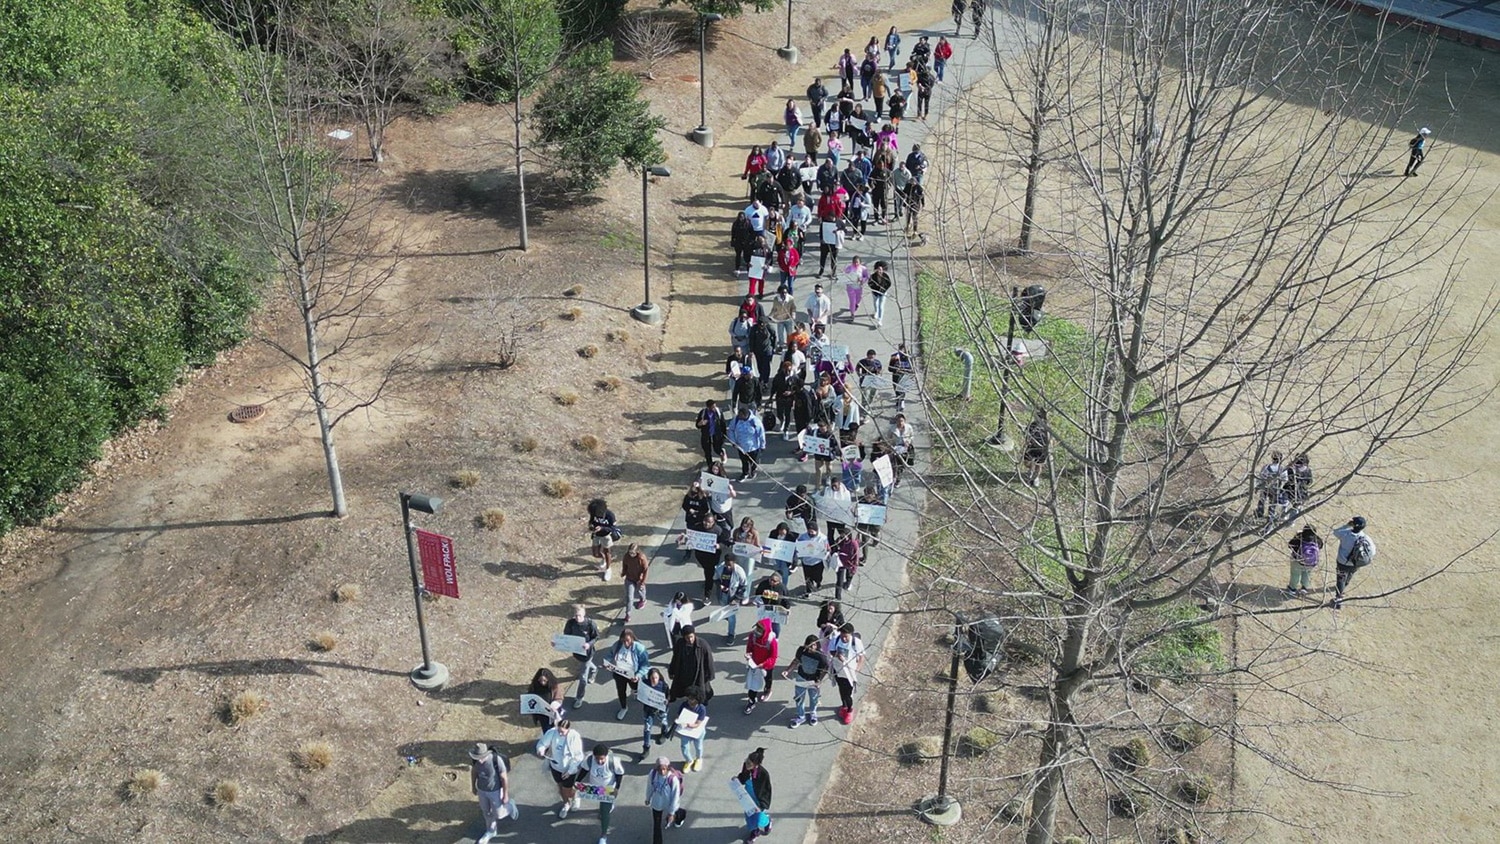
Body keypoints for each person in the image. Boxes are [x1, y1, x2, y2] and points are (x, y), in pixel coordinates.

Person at [535, 718, 586, 818]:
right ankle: (566, 803)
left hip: (568, 769)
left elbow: (578, 756)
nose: (560, 734)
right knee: (560, 787)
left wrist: (570, 771)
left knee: (567, 790)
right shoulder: (552, 732)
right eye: (559, 731)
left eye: (563, 732)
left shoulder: (574, 737)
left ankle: (575, 796)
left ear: (568, 729)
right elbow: (542, 743)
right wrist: (541, 750)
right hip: (555, 766)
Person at [580, 743, 625, 844]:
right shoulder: (589, 760)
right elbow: (584, 770)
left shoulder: (613, 761)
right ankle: (608, 806)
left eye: (602, 759)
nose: (599, 761)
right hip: (595, 788)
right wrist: (577, 781)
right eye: (597, 759)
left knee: (604, 813)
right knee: (601, 803)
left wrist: (617, 788)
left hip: (608, 790)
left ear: (606, 756)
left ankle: (603, 835)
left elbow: (619, 774)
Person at [783, 634, 831, 728]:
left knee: (814, 698)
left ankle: (813, 712)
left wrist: (819, 681)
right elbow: (796, 661)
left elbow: (825, 670)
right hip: (801, 678)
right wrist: (787, 671)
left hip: (813, 681)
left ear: (817, 645)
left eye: (813, 645)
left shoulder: (821, 657)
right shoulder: (801, 650)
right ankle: (801, 716)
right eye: (809, 645)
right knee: (799, 698)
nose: (811, 648)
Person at [1331, 516, 1378, 609]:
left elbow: (1335, 532)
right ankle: (1345, 585)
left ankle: (1338, 599)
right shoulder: (1365, 537)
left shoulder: (1345, 534)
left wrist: (1346, 525)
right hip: (1356, 563)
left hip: (1342, 562)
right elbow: (1373, 551)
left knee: (1340, 578)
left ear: (1353, 524)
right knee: (1350, 574)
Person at [470, 742, 513, 843]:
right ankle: (491, 831)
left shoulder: (496, 760)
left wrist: (505, 795)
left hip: (495, 791)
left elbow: (504, 778)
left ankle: (510, 807)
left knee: (498, 814)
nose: (479, 760)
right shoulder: (475, 761)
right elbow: (474, 773)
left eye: (481, 757)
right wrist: (473, 787)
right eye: (477, 757)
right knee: (486, 812)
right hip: (482, 790)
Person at [605, 628, 651, 721]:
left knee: (636, 687)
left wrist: (638, 675)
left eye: (628, 641)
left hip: (633, 675)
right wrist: (606, 662)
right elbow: (609, 655)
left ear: (632, 639)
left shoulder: (639, 648)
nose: (625, 643)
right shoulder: (617, 645)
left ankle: (635, 691)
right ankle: (624, 707)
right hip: (619, 674)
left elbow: (645, 665)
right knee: (621, 691)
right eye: (623, 641)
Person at [667, 625, 716, 707]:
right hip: (684, 672)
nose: (690, 639)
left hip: (699, 673)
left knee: (700, 690)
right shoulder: (680, 644)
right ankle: (689, 703)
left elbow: (709, 661)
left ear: (694, 634)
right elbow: (675, 658)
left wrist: (710, 675)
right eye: (687, 638)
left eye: (691, 637)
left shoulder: (703, 645)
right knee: (686, 689)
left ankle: (701, 704)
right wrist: (671, 671)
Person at [563, 605, 601, 707]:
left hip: (587, 654)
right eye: (575, 616)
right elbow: (566, 636)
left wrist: (589, 644)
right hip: (577, 653)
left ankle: (579, 698)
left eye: (579, 615)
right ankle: (594, 669)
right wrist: (557, 643)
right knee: (586, 665)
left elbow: (597, 636)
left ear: (584, 614)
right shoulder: (571, 623)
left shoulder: (590, 624)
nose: (577, 618)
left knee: (583, 677)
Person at [829, 623, 866, 723]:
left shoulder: (856, 642)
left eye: (846, 636)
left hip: (850, 672)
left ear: (851, 634)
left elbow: (862, 657)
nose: (844, 639)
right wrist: (837, 655)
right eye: (842, 636)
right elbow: (831, 651)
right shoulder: (836, 639)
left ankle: (849, 709)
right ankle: (844, 706)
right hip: (839, 670)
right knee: (841, 689)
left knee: (848, 693)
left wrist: (856, 671)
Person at [735, 748, 774, 843]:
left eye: (749, 763)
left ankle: (767, 822)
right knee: (749, 816)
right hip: (748, 796)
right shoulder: (746, 766)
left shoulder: (763, 774)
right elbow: (743, 776)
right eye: (746, 761)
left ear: (756, 765)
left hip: (758, 799)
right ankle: (754, 831)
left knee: (759, 818)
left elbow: (766, 790)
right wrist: (737, 779)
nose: (746, 764)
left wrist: (762, 805)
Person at [743, 617, 779, 713]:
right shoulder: (753, 636)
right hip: (754, 665)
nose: (757, 631)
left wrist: (764, 664)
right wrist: (748, 654)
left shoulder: (772, 641)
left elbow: (773, 657)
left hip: (766, 666)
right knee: (752, 685)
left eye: (760, 629)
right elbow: (749, 647)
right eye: (757, 628)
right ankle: (751, 701)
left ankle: (767, 690)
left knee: (768, 679)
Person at [646, 756, 685, 844]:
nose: (662, 772)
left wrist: (671, 813)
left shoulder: (672, 779)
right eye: (660, 769)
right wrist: (648, 798)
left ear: (667, 768)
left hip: (669, 802)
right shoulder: (652, 774)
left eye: (664, 769)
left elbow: (675, 797)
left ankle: (681, 816)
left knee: (676, 812)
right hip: (657, 803)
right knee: (657, 824)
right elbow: (649, 786)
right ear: (656, 768)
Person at [716, 552, 750, 642]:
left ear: (734, 562)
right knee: (724, 609)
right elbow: (716, 579)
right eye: (726, 564)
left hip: (733, 596)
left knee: (731, 616)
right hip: (723, 595)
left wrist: (736, 599)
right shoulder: (720, 568)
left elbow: (743, 586)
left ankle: (731, 634)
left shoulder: (739, 571)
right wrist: (720, 585)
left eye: (730, 565)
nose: (728, 567)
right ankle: (727, 616)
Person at [728, 405, 767, 481]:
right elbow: (731, 430)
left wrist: (762, 445)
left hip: (753, 447)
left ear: (745, 415)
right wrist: (733, 442)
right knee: (744, 461)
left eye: (741, 416)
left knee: (753, 461)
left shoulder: (755, 421)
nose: (739, 417)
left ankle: (753, 470)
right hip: (741, 447)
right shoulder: (736, 420)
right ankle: (745, 473)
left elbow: (761, 433)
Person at [1285, 525, 1324, 598]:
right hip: (1311, 563)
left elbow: (1290, 545)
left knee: (1295, 575)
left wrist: (1296, 535)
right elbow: (1321, 546)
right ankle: (1304, 588)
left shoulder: (1299, 537)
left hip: (1298, 561)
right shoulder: (1316, 539)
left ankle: (1292, 589)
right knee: (1307, 574)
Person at [587, 498, 619, 580]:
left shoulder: (610, 515)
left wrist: (602, 528)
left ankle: (608, 569)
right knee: (595, 553)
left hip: (606, 535)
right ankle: (604, 559)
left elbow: (613, 528)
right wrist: (591, 526)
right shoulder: (594, 512)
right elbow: (591, 521)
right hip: (596, 535)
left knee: (607, 552)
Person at [676, 692, 709, 771]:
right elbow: (679, 715)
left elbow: (698, 724)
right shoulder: (684, 705)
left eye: (692, 699)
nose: (689, 701)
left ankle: (699, 759)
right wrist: (678, 720)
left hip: (697, 731)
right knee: (684, 747)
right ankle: (689, 760)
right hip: (685, 730)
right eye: (689, 698)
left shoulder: (701, 708)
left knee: (698, 747)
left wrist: (688, 725)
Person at [795, 523, 830, 594]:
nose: (810, 533)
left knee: (817, 576)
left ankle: (818, 582)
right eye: (809, 531)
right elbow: (798, 544)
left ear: (816, 530)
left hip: (817, 561)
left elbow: (827, 548)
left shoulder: (823, 538)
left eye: (812, 531)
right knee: (808, 578)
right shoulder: (803, 536)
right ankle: (808, 590)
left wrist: (827, 550)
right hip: (806, 561)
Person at [1021, 408, 1049, 485]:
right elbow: (1026, 434)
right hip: (1031, 447)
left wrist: (1048, 448)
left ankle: (1035, 478)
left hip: (1042, 449)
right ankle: (1030, 471)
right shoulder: (1032, 425)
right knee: (1027, 462)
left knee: (1039, 465)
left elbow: (1050, 439)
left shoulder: (1047, 427)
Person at [622, 543, 648, 621]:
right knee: (629, 597)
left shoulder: (641, 558)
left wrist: (643, 581)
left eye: (633, 553)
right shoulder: (626, 556)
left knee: (641, 591)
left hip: (638, 579)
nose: (631, 554)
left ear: (637, 552)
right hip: (629, 578)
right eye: (630, 552)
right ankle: (628, 614)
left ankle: (643, 600)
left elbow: (646, 570)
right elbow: (624, 564)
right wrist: (624, 572)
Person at [696, 399, 726, 465]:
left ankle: (721, 453)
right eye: (712, 407)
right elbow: (697, 425)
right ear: (708, 407)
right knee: (707, 451)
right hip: (706, 435)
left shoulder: (718, 412)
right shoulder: (703, 413)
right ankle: (710, 464)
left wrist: (724, 434)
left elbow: (723, 423)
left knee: (716, 448)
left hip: (716, 434)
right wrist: (700, 424)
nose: (714, 408)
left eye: (715, 406)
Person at [868, 261, 893, 325]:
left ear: (883, 270)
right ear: (876, 269)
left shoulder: (885, 276)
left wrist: (883, 289)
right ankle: (876, 312)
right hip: (875, 293)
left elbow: (889, 283)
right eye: (878, 269)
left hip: (883, 293)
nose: (880, 271)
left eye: (881, 270)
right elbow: (870, 283)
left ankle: (880, 320)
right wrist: (875, 289)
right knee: (875, 303)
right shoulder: (873, 276)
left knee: (881, 306)